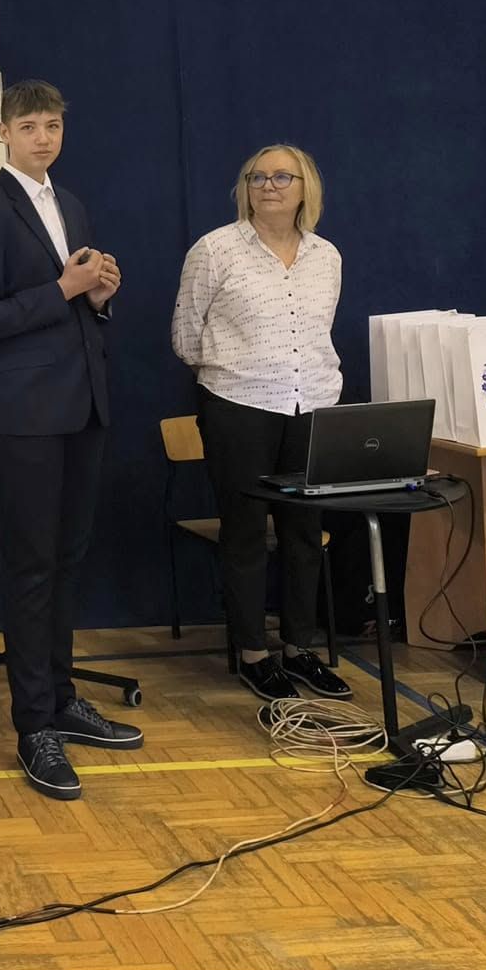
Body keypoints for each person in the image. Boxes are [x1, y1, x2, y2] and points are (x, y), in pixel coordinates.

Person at [0, 78, 139, 802]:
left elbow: (77, 304)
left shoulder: (72, 204)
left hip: (82, 407)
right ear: (3, 132)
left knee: (67, 562)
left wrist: (99, 298)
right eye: (29, 126)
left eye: (53, 126)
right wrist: (62, 290)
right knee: (31, 570)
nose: (43, 138)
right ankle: (33, 726)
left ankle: (61, 698)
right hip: (24, 416)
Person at [171, 144, 352, 706]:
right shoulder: (215, 250)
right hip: (237, 406)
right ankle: (254, 655)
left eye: (281, 177)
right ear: (244, 189)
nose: (268, 186)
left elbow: (320, 332)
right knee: (246, 533)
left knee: (304, 534)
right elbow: (186, 335)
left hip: (312, 407)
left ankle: (299, 649)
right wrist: (236, 373)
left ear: (305, 188)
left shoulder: (327, 256)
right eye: (257, 177)